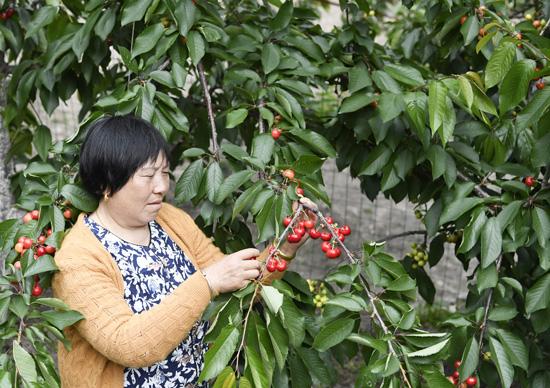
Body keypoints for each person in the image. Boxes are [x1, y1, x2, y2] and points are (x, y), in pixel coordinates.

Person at [52, 115, 314, 388]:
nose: (162, 187)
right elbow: (129, 345)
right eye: (148, 176)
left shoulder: (168, 219)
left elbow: (236, 286)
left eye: (164, 173)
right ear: (107, 183)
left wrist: (284, 248)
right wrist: (207, 283)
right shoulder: (77, 259)